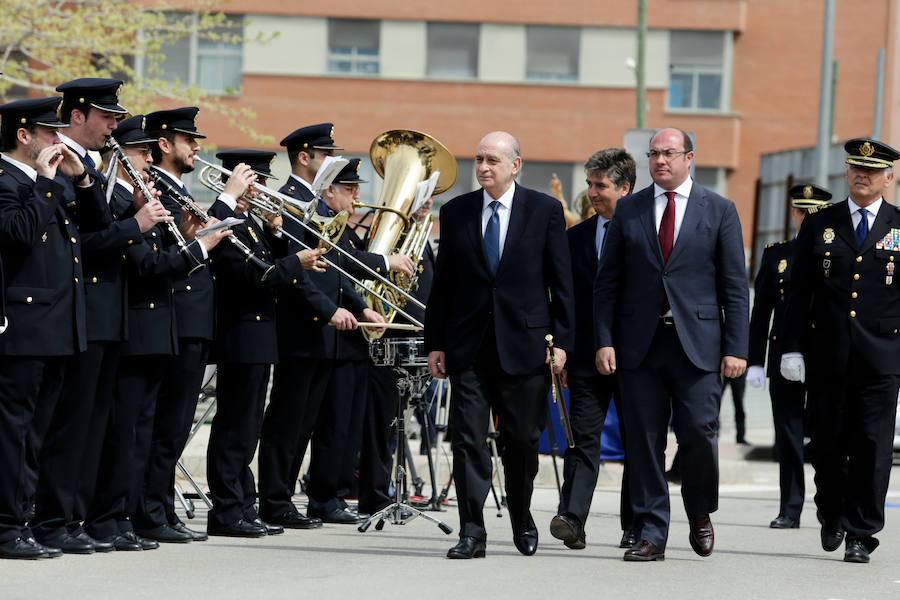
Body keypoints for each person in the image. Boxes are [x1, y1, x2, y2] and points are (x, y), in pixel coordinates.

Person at [594, 127, 748, 561]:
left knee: (699, 432)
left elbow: (735, 286)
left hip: (698, 344)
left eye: (669, 153)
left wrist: (736, 348)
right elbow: (607, 284)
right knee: (643, 441)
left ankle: (699, 509)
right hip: (639, 343)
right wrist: (604, 340)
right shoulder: (629, 210)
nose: (660, 160)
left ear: (690, 157)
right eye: (654, 154)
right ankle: (651, 531)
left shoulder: (718, 210)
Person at [425, 131, 574, 559]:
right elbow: (445, 284)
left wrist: (562, 343)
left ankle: (521, 514)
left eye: (493, 160)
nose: (484, 167)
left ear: (515, 165)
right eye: (479, 159)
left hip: (526, 346)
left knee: (522, 441)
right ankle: (472, 531)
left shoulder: (545, 211)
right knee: (467, 440)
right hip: (468, 347)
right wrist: (435, 341)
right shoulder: (455, 212)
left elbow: (561, 283)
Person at [84, 114, 226, 550]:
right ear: (118, 157)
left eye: (150, 151)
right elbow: (145, 265)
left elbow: (159, 258)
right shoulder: (123, 202)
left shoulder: (140, 200)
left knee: (143, 429)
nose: (148, 160)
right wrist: (200, 245)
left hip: (158, 327)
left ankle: (129, 516)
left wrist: (185, 238)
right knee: (126, 431)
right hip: (137, 327)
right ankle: (113, 516)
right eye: (140, 152)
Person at [781, 138, 900, 564]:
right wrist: (790, 348)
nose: (861, 175)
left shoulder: (899, 225)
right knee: (827, 445)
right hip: (827, 355)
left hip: (882, 357)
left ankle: (862, 532)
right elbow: (798, 293)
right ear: (846, 172)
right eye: (855, 168)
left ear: (889, 177)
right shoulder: (820, 223)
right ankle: (831, 513)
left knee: (872, 446)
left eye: (871, 170)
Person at [0, 96, 109, 559]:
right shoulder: (6, 180)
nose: (57, 140)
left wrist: (81, 178)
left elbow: (98, 223)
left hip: (60, 327)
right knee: (14, 434)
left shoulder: (53, 182)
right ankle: (7, 528)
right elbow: (19, 234)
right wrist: (46, 182)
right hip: (23, 327)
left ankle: (30, 522)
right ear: (24, 136)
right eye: (49, 132)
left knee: (39, 434)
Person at [205, 149, 324, 537]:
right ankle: (226, 509)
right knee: (235, 426)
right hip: (240, 334)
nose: (262, 191)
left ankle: (242, 501)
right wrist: (296, 262)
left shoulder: (250, 224)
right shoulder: (228, 222)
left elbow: (266, 265)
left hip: (258, 336)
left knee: (249, 425)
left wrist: (274, 234)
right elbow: (249, 275)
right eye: (256, 183)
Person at [130, 107, 220, 543]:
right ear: (164, 144)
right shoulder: (158, 187)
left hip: (193, 319)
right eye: (189, 141)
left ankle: (160, 507)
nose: (197, 148)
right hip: (176, 319)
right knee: (164, 425)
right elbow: (169, 257)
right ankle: (150, 511)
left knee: (174, 426)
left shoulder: (178, 191)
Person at [550, 148, 636, 551]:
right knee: (582, 441)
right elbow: (563, 301)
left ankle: (636, 524)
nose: (592, 193)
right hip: (584, 357)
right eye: (590, 184)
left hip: (637, 357)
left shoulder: (644, 231)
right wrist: (562, 350)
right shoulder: (575, 238)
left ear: (625, 187)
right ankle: (572, 518)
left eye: (600, 185)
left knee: (640, 441)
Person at [747, 183, 831, 530]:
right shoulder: (776, 255)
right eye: (803, 212)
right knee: (788, 434)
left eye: (816, 214)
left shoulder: (835, 254)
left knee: (827, 435)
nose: (807, 218)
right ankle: (790, 506)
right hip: (783, 355)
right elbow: (761, 310)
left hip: (825, 355)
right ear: (795, 214)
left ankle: (828, 504)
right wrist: (754, 359)